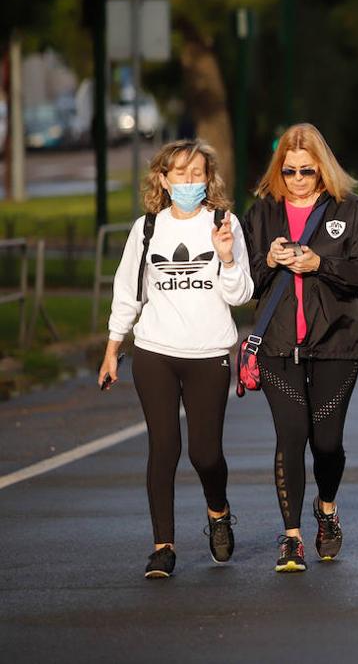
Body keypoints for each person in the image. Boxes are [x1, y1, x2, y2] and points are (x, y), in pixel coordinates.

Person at [99, 139, 253, 578]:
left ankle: (218, 511)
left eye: (197, 173)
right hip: (154, 352)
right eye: (180, 173)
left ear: (209, 179)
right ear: (163, 179)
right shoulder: (147, 229)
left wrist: (225, 257)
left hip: (208, 352)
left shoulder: (225, 223)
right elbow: (127, 293)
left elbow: (241, 296)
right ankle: (163, 546)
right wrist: (113, 350)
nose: (189, 181)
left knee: (205, 454)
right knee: (163, 447)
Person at [243, 124, 358, 573]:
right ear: (278, 171)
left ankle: (326, 509)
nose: (299, 179)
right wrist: (267, 260)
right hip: (277, 346)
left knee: (326, 442)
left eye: (307, 170)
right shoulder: (262, 213)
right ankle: (291, 538)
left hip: (336, 343)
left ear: (323, 168)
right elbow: (239, 280)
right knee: (291, 436)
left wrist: (321, 263)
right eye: (289, 172)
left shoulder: (352, 209)